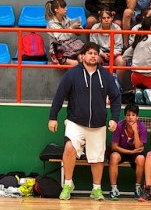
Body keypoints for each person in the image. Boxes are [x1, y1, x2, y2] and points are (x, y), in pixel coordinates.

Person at [48, 41, 121, 201]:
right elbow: (59, 95)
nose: (93, 56)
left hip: (98, 124)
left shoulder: (105, 76)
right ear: (82, 56)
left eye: (95, 53)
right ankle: (68, 184)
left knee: (97, 157)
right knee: (69, 148)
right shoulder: (72, 74)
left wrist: (115, 119)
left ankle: (96, 189)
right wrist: (53, 117)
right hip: (75, 122)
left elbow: (116, 98)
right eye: (90, 53)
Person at [108, 103, 146, 200]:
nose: (130, 118)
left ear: (137, 117)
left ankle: (138, 188)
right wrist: (130, 152)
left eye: (133, 115)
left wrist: (135, 131)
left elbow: (138, 147)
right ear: (125, 116)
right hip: (122, 151)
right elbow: (114, 147)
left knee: (141, 159)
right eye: (128, 115)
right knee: (114, 157)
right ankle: (113, 189)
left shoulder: (142, 127)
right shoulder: (119, 126)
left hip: (135, 152)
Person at [46, 0, 84, 67]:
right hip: (58, 51)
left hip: (70, 47)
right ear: (56, 10)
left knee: (82, 58)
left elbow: (78, 32)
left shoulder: (66, 18)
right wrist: (72, 28)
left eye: (65, 7)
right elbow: (61, 38)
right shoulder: (51, 24)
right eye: (63, 7)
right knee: (75, 63)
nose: (66, 9)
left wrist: (78, 28)